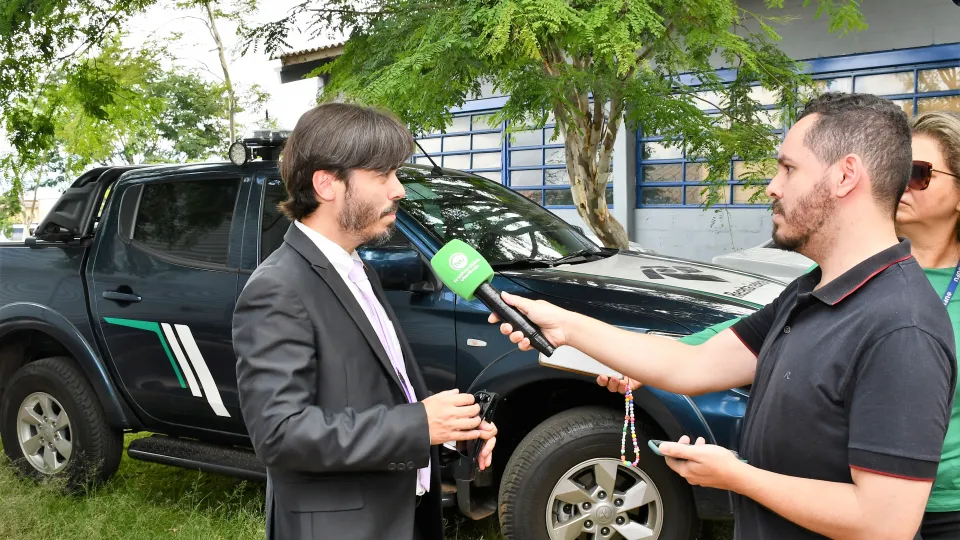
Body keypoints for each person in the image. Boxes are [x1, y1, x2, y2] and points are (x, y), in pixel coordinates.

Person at [489, 93, 958, 540]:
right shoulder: (811, 291)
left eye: (788, 168)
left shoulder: (901, 327)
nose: (772, 186)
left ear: (845, 176)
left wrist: (738, 476)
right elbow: (691, 364)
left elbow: (884, 524)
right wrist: (565, 325)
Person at [233, 102, 497, 540]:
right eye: (383, 175)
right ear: (327, 184)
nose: (399, 190)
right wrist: (418, 424)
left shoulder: (357, 269)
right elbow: (279, 433)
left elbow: (376, 393)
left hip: (399, 516)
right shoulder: (278, 287)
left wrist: (450, 428)